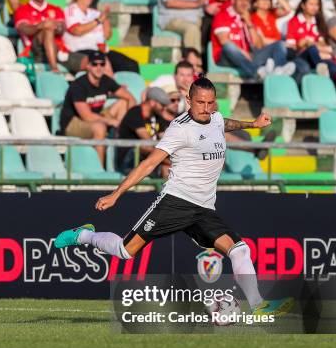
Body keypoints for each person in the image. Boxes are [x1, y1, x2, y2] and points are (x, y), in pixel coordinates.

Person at [54, 75, 293, 322]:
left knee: (240, 250)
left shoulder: (215, 118)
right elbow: (148, 164)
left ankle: (257, 305)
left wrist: (252, 125)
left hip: (203, 209)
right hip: (176, 202)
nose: (206, 108)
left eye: (211, 102)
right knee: (125, 251)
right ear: (188, 100)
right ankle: (82, 235)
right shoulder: (180, 129)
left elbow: (224, 123)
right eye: (200, 102)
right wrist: (116, 194)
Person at [59, 51, 136, 165]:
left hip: (97, 115)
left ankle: (119, 156)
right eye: (95, 64)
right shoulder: (78, 85)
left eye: (102, 64)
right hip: (73, 122)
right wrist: (112, 121)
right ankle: (101, 169)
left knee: (123, 103)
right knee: (99, 128)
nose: (99, 67)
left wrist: (126, 123)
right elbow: (87, 116)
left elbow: (130, 98)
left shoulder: (105, 80)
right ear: (88, 66)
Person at [211, 0, 295, 79]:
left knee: (279, 44)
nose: (243, 3)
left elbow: (258, 45)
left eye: (246, 0)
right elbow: (224, 41)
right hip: (227, 58)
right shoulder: (223, 15)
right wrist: (243, 53)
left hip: (249, 57)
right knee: (229, 47)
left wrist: (249, 23)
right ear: (233, 1)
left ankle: (279, 71)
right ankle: (257, 73)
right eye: (240, 0)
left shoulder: (249, 18)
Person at [63, 0, 139, 75]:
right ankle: (113, 88)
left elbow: (107, 36)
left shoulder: (95, 13)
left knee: (131, 65)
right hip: (80, 51)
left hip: (99, 50)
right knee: (103, 62)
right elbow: (76, 30)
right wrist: (98, 21)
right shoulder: (70, 10)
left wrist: (105, 19)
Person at [14, 0, 87, 74]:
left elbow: (62, 30)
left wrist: (55, 26)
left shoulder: (56, 9)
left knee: (94, 62)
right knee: (47, 29)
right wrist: (41, 26)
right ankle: (54, 69)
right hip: (35, 51)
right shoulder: (22, 10)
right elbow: (24, 29)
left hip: (58, 50)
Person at [116, 87, 172, 176]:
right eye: (162, 105)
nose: (163, 108)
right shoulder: (135, 113)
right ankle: (168, 162)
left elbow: (165, 136)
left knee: (167, 169)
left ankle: (166, 189)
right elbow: (147, 140)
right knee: (145, 147)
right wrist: (167, 160)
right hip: (128, 160)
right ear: (153, 102)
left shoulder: (157, 116)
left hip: (148, 159)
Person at [286, 0, 336, 82]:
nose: (314, 7)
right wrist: (307, 45)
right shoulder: (294, 22)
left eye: (317, 4)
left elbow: (326, 46)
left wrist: (308, 43)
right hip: (300, 56)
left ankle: (333, 92)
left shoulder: (320, 23)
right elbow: (291, 46)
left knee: (333, 67)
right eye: (311, 4)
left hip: (319, 56)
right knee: (312, 51)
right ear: (303, 5)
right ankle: (321, 72)